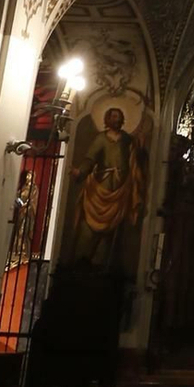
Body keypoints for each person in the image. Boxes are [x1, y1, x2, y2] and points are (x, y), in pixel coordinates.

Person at [63, 106, 146, 276]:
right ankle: (79, 264)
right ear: (108, 119)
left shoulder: (127, 140)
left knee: (110, 235)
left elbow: (135, 158)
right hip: (100, 189)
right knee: (88, 232)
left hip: (120, 193)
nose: (116, 119)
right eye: (113, 116)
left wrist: (140, 146)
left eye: (119, 116)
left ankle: (101, 266)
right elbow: (90, 159)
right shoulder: (101, 139)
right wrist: (81, 172)